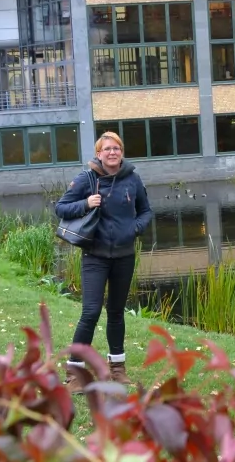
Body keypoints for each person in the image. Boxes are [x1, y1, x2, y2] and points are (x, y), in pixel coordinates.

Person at [55, 132, 152, 392]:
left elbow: (146, 211)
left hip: (124, 256)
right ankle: (75, 373)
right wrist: (86, 203)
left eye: (117, 148)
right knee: (90, 312)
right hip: (94, 256)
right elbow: (61, 208)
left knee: (117, 312)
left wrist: (135, 228)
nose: (112, 152)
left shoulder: (132, 178)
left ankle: (117, 369)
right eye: (107, 149)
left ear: (121, 152)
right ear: (99, 153)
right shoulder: (87, 179)